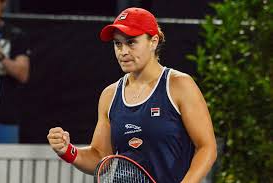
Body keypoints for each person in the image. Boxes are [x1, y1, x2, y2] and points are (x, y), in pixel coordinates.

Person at [47, 7, 217, 183]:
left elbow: (207, 148)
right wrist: (68, 151)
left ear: (153, 41)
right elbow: (101, 157)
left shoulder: (180, 85)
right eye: (117, 44)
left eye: (131, 42)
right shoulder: (109, 95)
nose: (123, 51)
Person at [0, 0, 30, 143]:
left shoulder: (15, 35)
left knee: (7, 163)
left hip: (5, 116)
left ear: (2, 4)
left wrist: (1, 56)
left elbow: (23, 74)